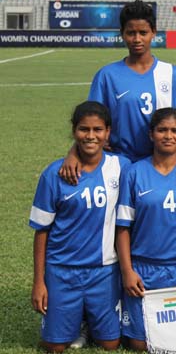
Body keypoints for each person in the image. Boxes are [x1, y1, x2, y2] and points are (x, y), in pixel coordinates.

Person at [61, 0, 176, 193]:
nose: (137, 39)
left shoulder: (172, 75)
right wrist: (73, 153)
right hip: (119, 166)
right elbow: (90, 123)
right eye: (131, 33)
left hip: (162, 166)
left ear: (154, 32)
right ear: (122, 34)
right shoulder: (107, 76)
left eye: (143, 32)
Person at [29, 101, 129, 353]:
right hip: (62, 269)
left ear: (108, 132)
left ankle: (86, 320)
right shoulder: (54, 174)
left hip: (104, 270)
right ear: (74, 131)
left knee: (110, 344)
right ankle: (74, 320)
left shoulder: (121, 167)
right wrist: (39, 281)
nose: (91, 136)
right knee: (54, 346)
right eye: (84, 129)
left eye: (98, 129)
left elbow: (155, 166)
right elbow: (42, 231)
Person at [115, 108, 176, 351]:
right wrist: (127, 271)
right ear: (151, 134)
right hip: (144, 267)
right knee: (139, 344)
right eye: (162, 130)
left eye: (175, 131)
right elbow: (123, 228)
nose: (168, 136)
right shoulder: (134, 173)